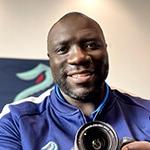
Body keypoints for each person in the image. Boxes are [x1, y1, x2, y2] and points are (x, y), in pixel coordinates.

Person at [0, 12, 150, 150]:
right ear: (50, 59)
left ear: (105, 50)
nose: (78, 58)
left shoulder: (146, 114)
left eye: (91, 45)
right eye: (62, 49)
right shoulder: (14, 121)